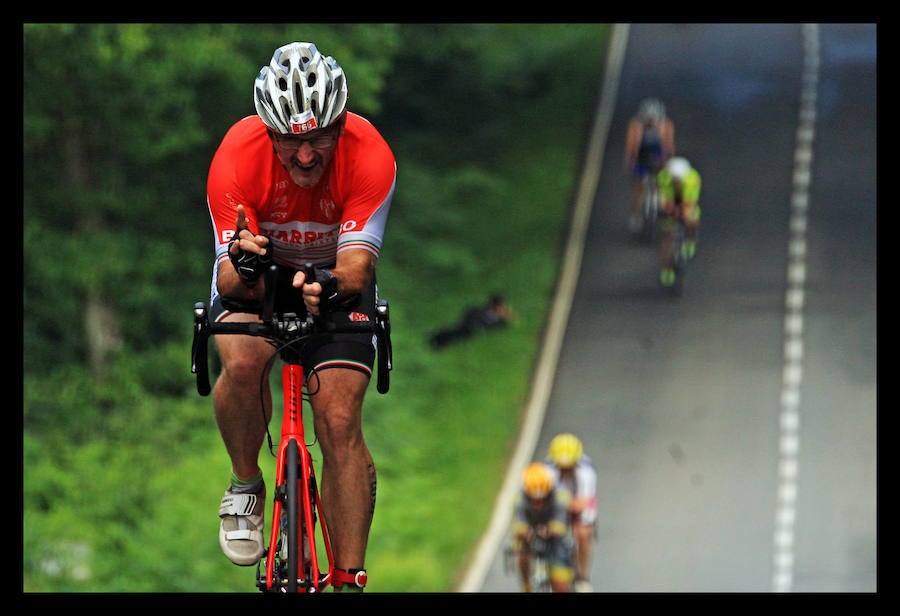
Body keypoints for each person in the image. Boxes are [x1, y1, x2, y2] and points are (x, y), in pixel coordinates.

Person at [205, 41, 397, 592]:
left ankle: (348, 577)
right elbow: (226, 282)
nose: (307, 155)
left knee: (338, 420)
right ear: (269, 133)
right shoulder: (236, 157)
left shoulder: (371, 155)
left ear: (341, 126)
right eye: (291, 141)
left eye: (319, 138)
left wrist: (331, 287)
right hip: (261, 280)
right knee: (240, 361)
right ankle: (245, 484)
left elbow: (357, 266)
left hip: (335, 280)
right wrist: (245, 264)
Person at [511, 462, 575, 593]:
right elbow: (518, 523)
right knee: (521, 549)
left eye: (543, 499)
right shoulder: (519, 498)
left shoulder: (561, 496)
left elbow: (561, 523)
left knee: (561, 586)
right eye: (533, 500)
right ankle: (526, 584)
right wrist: (523, 532)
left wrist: (551, 530)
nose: (538, 504)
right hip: (531, 529)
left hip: (555, 535)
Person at [545, 433, 598, 593]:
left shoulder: (586, 471)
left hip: (580, 502)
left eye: (569, 467)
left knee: (583, 532)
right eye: (562, 467)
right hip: (557, 505)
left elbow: (583, 503)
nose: (565, 470)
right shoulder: (548, 471)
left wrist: (568, 506)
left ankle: (582, 576)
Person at [624, 97, 675, 235]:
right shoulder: (636, 126)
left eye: (654, 119)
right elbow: (631, 146)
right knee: (639, 184)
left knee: (663, 181)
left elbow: (668, 146)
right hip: (642, 156)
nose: (651, 122)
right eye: (648, 120)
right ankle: (636, 213)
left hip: (657, 156)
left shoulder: (666, 125)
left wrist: (668, 161)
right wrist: (630, 161)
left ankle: (663, 207)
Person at [656, 156, 701, 288]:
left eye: (679, 179)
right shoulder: (663, 177)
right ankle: (666, 269)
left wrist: (682, 213)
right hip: (670, 201)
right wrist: (669, 211)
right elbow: (663, 201)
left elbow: (690, 203)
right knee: (667, 238)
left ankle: (690, 238)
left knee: (692, 217)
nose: (677, 181)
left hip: (686, 201)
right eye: (674, 178)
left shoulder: (693, 179)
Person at [428, 293, 512, 349]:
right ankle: (434, 340)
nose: (503, 308)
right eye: (501, 305)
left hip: (469, 331)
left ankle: (436, 343)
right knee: (451, 334)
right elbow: (475, 316)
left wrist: (503, 320)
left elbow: (493, 326)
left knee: (453, 337)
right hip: (466, 327)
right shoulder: (482, 310)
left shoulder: (494, 315)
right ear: (496, 305)